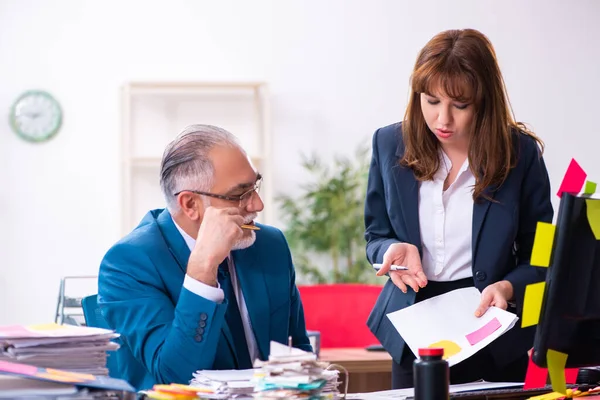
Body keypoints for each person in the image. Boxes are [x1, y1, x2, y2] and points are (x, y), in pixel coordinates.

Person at [364, 28, 553, 389]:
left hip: (492, 327)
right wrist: (391, 250)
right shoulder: (388, 143)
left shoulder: (521, 154)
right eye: (431, 101)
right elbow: (375, 235)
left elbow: (542, 253)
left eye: (459, 105)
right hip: (413, 330)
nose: (442, 120)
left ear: (484, 100)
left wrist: (509, 287)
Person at [98, 124, 312, 390]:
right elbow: (176, 376)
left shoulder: (271, 245)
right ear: (190, 205)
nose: (257, 204)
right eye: (239, 195)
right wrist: (203, 268)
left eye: (255, 186)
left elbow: (298, 353)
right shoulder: (128, 263)